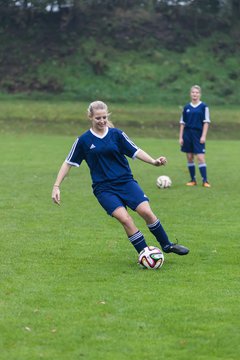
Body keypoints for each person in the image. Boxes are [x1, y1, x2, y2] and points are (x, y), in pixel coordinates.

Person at [52, 100, 189, 261]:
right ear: (90, 117)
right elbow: (68, 162)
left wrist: (153, 161)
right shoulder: (83, 140)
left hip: (126, 182)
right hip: (104, 189)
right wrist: (56, 186)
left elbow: (135, 150)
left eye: (104, 117)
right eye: (98, 118)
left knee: (146, 212)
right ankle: (146, 254)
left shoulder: (117, 134)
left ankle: (167, 245)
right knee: (125, 219)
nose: (102, 121)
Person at [179, 85, 211, 187]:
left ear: (200, 94)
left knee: (201, 158)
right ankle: (193, 180)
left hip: (198, 135)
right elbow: (182, 123)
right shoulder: (186, 107)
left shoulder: (204, 107)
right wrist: (181, 137)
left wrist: (203, 136)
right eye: (193, 92)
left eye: (197, 92)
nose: (195, 94)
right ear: (190, 94)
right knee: (189, 157)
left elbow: (206, 122)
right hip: (187, 135)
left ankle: (205, 181)